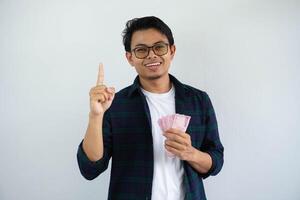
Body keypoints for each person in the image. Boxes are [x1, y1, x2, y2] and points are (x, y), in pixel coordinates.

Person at [77, 16, 224, 200]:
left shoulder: (198, 100)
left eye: (159, 47)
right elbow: (90, 168)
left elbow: (216, 160)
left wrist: (191, 153)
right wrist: (95, 116)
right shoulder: (115, 104)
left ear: (172, 51)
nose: (151, 55)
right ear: (130, 58)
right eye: (141, 50)